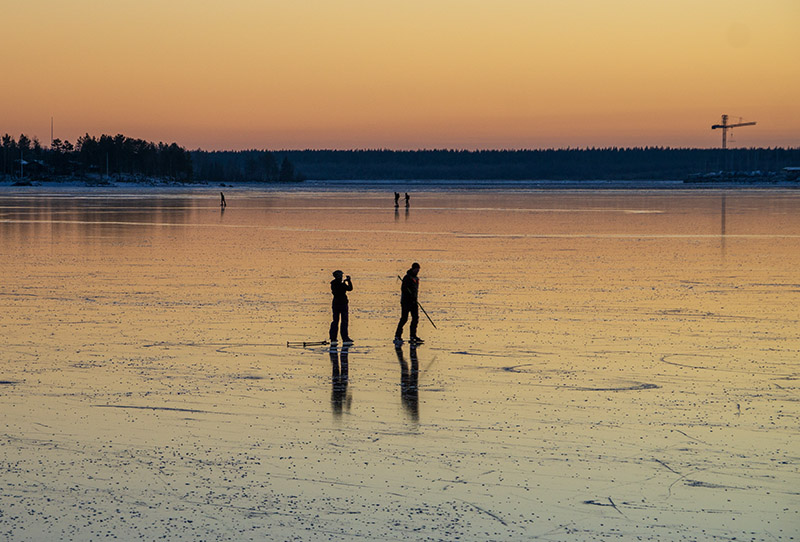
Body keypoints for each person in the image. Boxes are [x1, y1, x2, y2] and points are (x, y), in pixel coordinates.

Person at [394, 262, 423, 344]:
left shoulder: (416, 278)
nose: (417, 271)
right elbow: (404, 289)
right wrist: (410, 296)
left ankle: (413, 335)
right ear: (413, 269)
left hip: (414, 302)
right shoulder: (407, 278)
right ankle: (397, 335)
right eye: (416, 269)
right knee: (404, 318)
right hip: (406, 302)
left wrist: (414, 298)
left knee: (415, 318)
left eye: (418, 270)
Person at [329, 270, 353, 345]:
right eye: (340, 275)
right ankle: (342, 337)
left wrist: (348, 282)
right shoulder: (338, 284)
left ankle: (335, 337)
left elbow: (349, 288)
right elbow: (349, 288)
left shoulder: (336, 283)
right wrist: (348, 281)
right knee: (341, 321)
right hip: (341, 304)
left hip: (338, 303)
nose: (342, 276)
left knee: (339, 321)